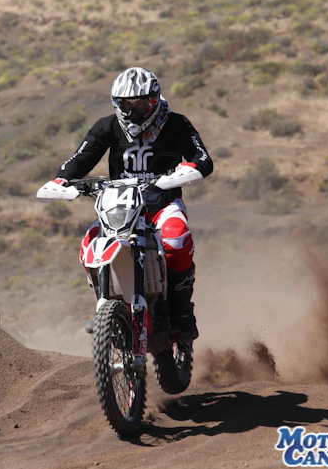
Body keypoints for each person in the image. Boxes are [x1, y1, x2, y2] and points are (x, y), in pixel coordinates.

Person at [49, 67, 213, 341]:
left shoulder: (176, 124)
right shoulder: (108, 126)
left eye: (140, 104)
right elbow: (82, 157)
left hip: (163, 205)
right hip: (119, 209)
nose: (133, 112)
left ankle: (183, 311)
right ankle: (106, 304)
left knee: (176, 240)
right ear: (117, 103)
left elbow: (202, 157)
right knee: (89, 244)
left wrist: (191, 168)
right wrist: (62, 179)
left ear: (154, 100)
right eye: (127, 105)